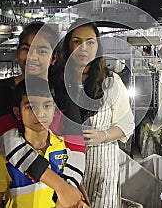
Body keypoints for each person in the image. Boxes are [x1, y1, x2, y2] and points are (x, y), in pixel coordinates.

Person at [0, 22, 86, 207]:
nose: (32, 56)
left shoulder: (64, 96)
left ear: (53, 58)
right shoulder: (1, 91)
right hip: (11, 184)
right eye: (27, 49)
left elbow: (76, 150)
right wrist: (63, 189)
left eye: (42, 51)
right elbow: (9, 143)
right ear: (18, 52)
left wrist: (67, 193)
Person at [51, 18, 135, 207]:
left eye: (90, 42)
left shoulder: (111, 82)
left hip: (102, 165)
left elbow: (127, 124)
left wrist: (103, 136)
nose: (83, 48)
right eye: (77, 41)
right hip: (65, 166)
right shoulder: (58, 82)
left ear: (97, 46)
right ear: (68, 46)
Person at [0, 77, 89, 208]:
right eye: (31, 107)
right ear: (18, 112)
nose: (40, 113)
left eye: (47, 106)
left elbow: (76, 192)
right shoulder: (4, 158)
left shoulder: (66, 150)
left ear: (54, 111)